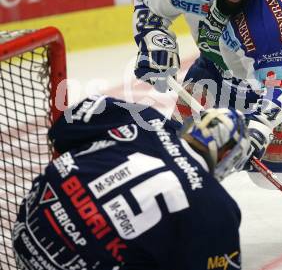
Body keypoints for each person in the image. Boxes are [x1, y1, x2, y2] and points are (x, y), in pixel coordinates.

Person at [132, 0, 282, 216]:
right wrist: (154, 38)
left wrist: (259, 128)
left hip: (279, 82)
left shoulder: (269, 22)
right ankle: (176, 218)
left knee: (269, 177)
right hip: (215, 69)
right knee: (182, 146)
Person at [13, 95, 251, 270]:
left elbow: (61, 130)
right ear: (226, 158)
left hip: (27, 231)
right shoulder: (217, 206)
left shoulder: (145, 121)